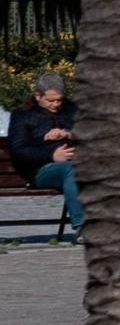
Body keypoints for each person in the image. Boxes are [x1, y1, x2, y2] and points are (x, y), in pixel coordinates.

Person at [9, 71, 79, 243]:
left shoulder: (72, 109)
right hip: (41, 170)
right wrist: (52, 155)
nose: (56, 104)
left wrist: (68, 133)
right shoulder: (23, 115)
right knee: (70, 169)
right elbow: (19, 150)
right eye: (51, 100)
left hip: (81, 162)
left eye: (59, 100)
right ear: (38, 96)